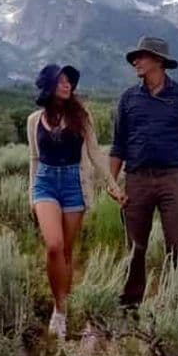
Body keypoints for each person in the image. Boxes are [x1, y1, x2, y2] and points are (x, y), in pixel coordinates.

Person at [27, 63, 127, 339]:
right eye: (60, 81)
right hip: (45, 183)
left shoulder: (82, 117)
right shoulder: (34, 120)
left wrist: (112, 184)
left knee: (67, 252)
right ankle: (59, 308)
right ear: (48, 86)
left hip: (74, 184)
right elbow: (34, 160)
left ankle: (62, 309)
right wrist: (30, 196)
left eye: (69, 80)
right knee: (54, 246)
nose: (67, 84)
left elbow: (95, 153)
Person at [109, 36, 178, 307]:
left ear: (159, 61)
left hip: (173, 179)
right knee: (135, 247)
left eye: (141, 56)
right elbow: (118, 145)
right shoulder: (128, 99)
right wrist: (112, 181)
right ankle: (130, 303)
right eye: (134, 58)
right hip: (136, 180)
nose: (135, 62)